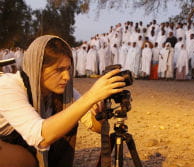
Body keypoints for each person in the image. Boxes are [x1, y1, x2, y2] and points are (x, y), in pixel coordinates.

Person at [0, 35, 125, 167]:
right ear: (37, 68)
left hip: (25, 144)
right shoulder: (8, 86)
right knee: (26, 160)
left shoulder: (65, 92)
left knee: (67, 120)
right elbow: (41, 137)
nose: (66, 77)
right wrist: (91, 96)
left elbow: (96, 127)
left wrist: (98, 116)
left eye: (68, 69)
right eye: (59, 70)